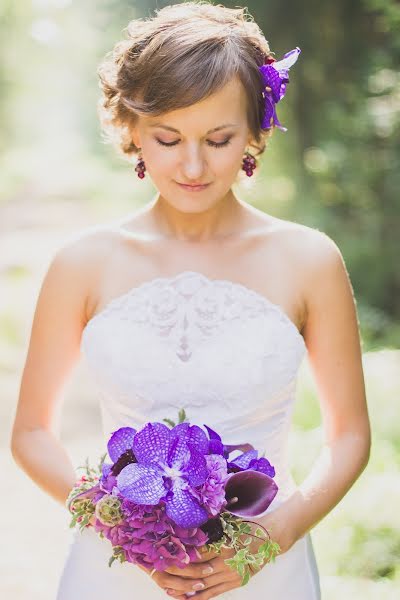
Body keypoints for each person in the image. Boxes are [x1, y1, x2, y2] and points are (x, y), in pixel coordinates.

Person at [10, 2, 371, 599]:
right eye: (169, 138)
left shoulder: (310, 260)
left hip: (264, 568)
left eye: (219, 138)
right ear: (131, 128)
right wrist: (126, 533)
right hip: (115, 571)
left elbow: (350, 437)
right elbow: (30, 433)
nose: (194, 165)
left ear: (256, 131)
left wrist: (268, 541)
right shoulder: (83, 262)